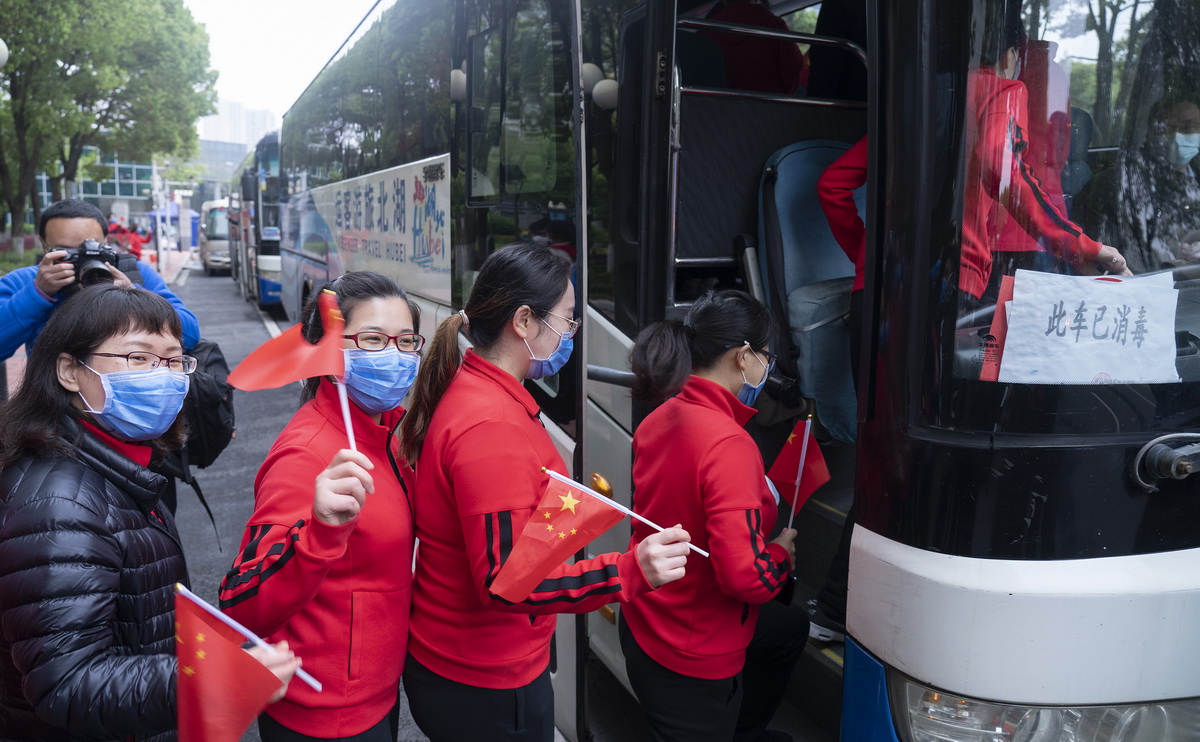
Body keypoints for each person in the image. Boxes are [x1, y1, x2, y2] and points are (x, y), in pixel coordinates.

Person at [397, 242, 691, 742]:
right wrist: (630, 569)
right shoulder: (490, 428)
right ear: (524, 321)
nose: (572, 333)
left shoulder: (481, 390)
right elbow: (508, 584)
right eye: (569, 320)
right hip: (485, 683)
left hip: (469, 669)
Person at [0, 283, 298, 741]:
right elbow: (67, 683)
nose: (162, 376)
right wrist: (211, 677)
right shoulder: (60, 505)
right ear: (68, 370)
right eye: (137, 358)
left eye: (174, 359)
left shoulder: (112, 459)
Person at [219, 272, 422, 742]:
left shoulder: (389, 429)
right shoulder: (305, 454)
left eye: (407, 340)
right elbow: (243, 603)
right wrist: (320, 533)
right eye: (372, 339)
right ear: (331, 355)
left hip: (376, 695)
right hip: (324, 714)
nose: (393, 355)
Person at [617, 289, 799, 742]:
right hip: (693, 651)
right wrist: (779, 554)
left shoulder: (660, 417)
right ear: (743, 357)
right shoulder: (729, 443)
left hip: (646, 618)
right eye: (766, 357)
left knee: (789, 630)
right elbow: (745, 579)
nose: (768, 367)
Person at [959, 9, 1130, 310]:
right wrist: (1078, 246)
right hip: (1036, 232)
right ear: (1010, 53)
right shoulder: (1036, 77)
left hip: (980, 238)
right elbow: (1052, 157)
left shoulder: (949, 83)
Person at [0, 199, 200, 363]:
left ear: (105, 242)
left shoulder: (134, 273)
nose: (80, 259)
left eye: (89, 249)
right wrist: (37, 294)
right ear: (44, 246)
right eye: (66, 252)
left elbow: (190, 335)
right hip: (52, 406)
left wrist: (133, 295)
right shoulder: (25, 281)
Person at [701, 0, 807, 95]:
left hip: (718, 111)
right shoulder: (774, 26)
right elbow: (793, 70)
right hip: (769, 109)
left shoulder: (703, 34)